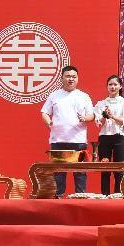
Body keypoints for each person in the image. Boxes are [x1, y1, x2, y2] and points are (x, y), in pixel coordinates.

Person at [41, 65, 95, 197]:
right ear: (62, 78)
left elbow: (92, 115)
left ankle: (80, 197)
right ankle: (58, 198)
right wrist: (49, 121)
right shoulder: (54, 95)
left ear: (77, 79)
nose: (71, 79)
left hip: (78, 140)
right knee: (58, 172)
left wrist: (84, 118)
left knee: (80, 172)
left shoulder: (83, 96)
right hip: (58, 140)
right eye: (68, 76)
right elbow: (44, 112)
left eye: (74, 77)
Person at [95, 75, 124, 196]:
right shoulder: (101, 103)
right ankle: (104, 195)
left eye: (115, 84)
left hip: (119, 137)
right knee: (105, 168)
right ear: (107, 86)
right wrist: (104, 116)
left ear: (120, 86)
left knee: (119, 169)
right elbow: (98, 123)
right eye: (110, 84)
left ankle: (117, 195)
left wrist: (113, 116)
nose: (112, 87)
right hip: (104, 137)